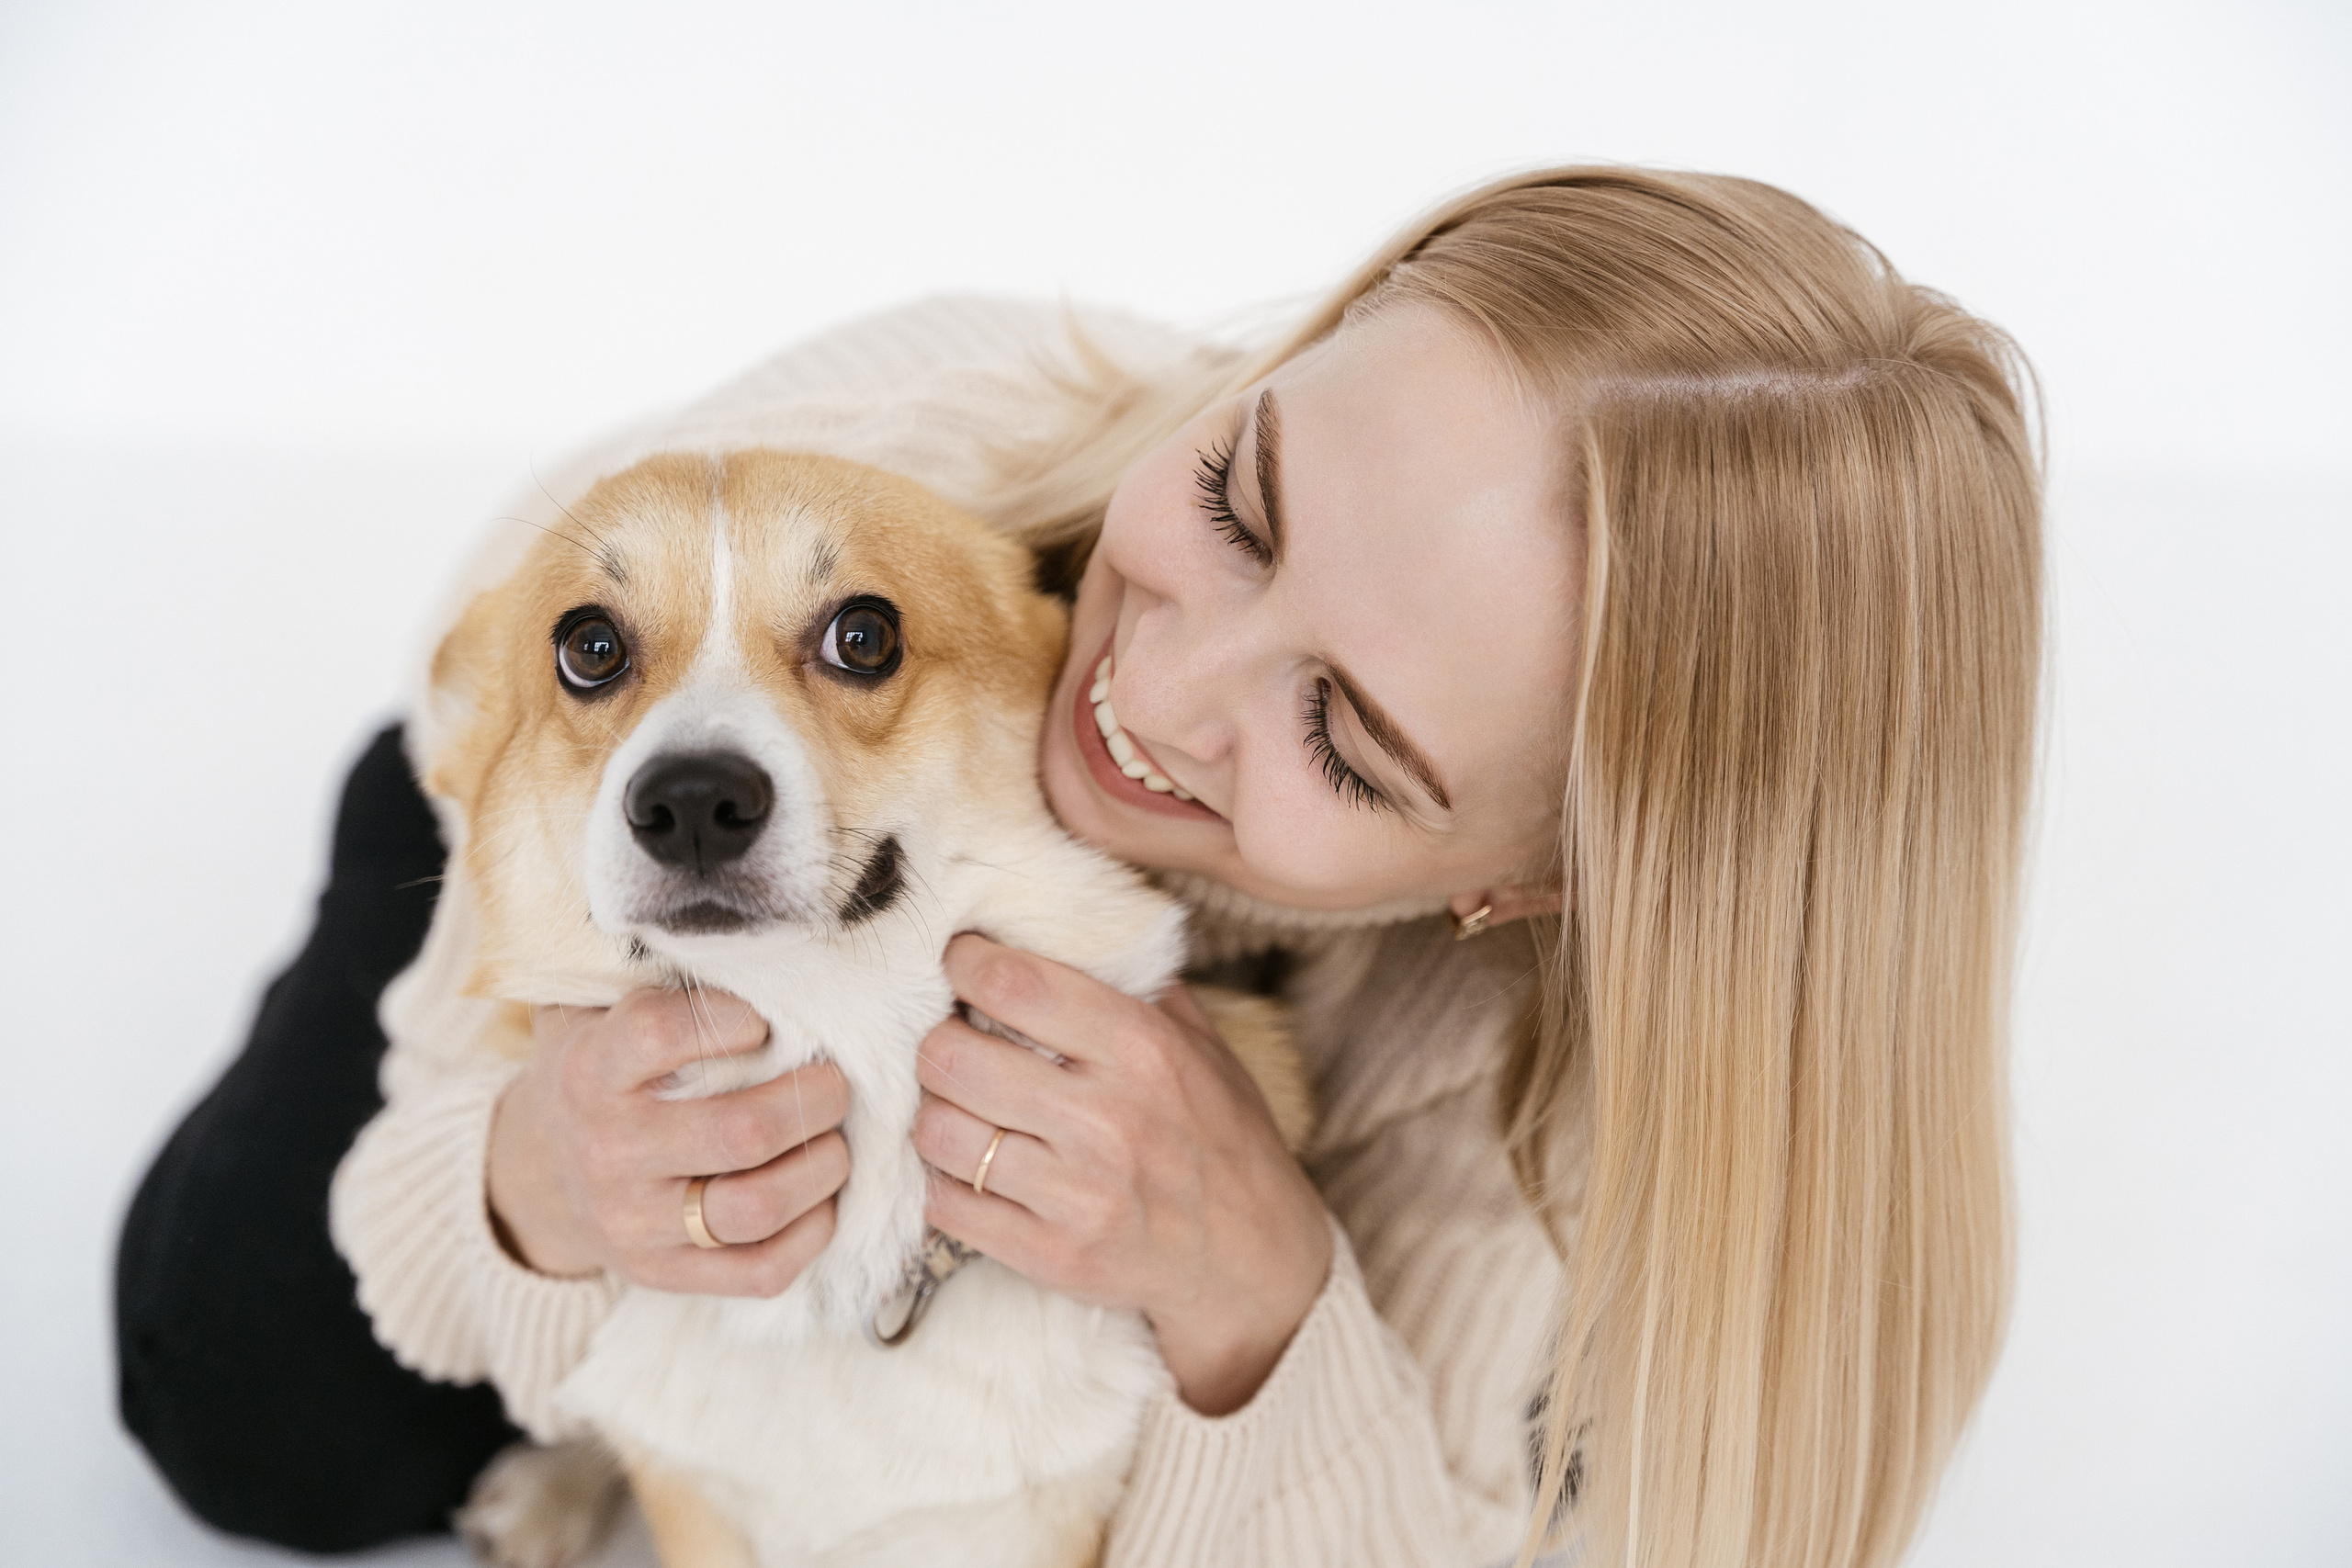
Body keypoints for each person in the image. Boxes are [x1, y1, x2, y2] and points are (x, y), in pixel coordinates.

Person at [117, 166, 2041, 1568]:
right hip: (587, 806)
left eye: (1345, 738)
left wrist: (1260, 1299)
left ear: (1536, 881)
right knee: (253, 1405)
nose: (1152, 682)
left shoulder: (1568, 1087)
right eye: (1238, 496)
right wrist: (543, 1167)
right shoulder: (899, 451)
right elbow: (573, 784)